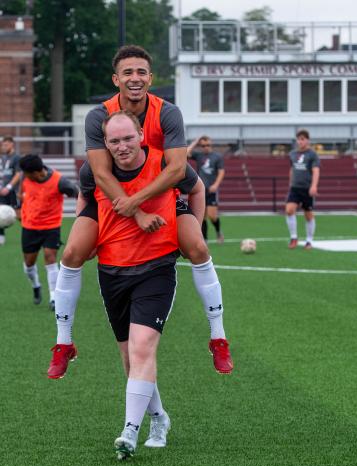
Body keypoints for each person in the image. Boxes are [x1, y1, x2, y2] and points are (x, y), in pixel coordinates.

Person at [48, 45, 233, 379]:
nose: (135, 78)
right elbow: (100, 176)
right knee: (73, 251)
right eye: (128, 72)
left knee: (199, 248)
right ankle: (64, 342)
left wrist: (145, 206)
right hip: (111, 198)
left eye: (141, 72)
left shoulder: (167, 113)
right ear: (116, 79)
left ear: (151, 78)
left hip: (159, 196)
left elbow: (178, 172)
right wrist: (131, 211)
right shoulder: (98, 116)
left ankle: (218, 336)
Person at [88, 111, 178, 459]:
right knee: (129, 357)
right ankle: (158, 416)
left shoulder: (165, 163)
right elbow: (85, 207)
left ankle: (130, 431)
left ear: (141, 133)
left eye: (128, 138)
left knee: (142, 348)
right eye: (114, 141)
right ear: (106, 144)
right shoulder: (94, 172)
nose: (122, 146)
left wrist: (193, 238)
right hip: (111, 270)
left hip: (156, 267)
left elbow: (195, 187)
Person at [19, 155, 78, 310]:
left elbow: (77, 193)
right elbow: (21, 193)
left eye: (27, 173)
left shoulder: (60, 181)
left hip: (51, 226)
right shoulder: (25, 178)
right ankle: (36, 285)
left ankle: (54, 298)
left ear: (37, 173)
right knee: (29, 263)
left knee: (50, 257)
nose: (24, 176)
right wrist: (19, 208)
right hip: (29, 226)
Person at [285, 129, 320, 250]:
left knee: (308, 215)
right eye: (298, 139)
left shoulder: (312, 154)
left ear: (307, 140)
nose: (300, 142)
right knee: (289, 210)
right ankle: (293, 237)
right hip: (295, 188)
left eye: (302, 139)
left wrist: (314, 186)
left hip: (307, 188)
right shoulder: (292, 154)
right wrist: (290, 183)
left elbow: (316, 171)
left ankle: (309, 241)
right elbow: (292, 169)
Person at [187, 136, 225, 243]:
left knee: (212, 216)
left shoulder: (217, 156)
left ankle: (218, 232)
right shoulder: (198, 155)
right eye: (203, 145)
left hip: (211, 190)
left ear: (211, 144)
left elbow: (221, 172)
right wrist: (195, 142)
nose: (206, 147)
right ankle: (205, 239)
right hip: (201, 190)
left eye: (208, 145)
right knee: (202, 216)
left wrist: (216, 185)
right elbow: (185, 153)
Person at [0, 136, 21, 245]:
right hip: (2, 191)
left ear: (12, 144)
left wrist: (8, 187)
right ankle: (1, 237)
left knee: (19, 215)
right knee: (0, 213)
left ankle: (31, 233)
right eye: (3, 145)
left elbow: (18, 174)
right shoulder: (3, 158)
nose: (4, 147)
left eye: (6, 145)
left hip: (14, 192)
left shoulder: (16, 157)